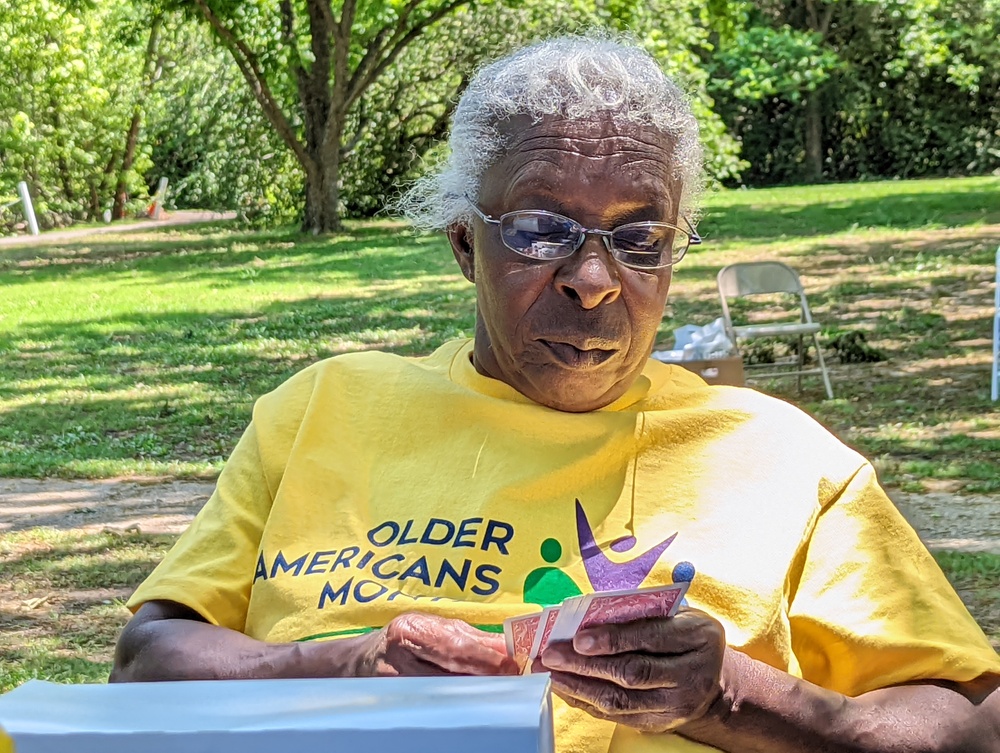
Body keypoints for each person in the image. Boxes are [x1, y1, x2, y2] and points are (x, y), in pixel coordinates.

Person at [112, 36, 1000, 752]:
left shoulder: (786, 460)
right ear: (466, 245)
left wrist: (724, 693)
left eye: (640, 236)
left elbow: (965, 727)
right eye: (540, 229)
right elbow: (149, 662)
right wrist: (347, 664)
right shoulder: (321, 409)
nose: (592, 278)